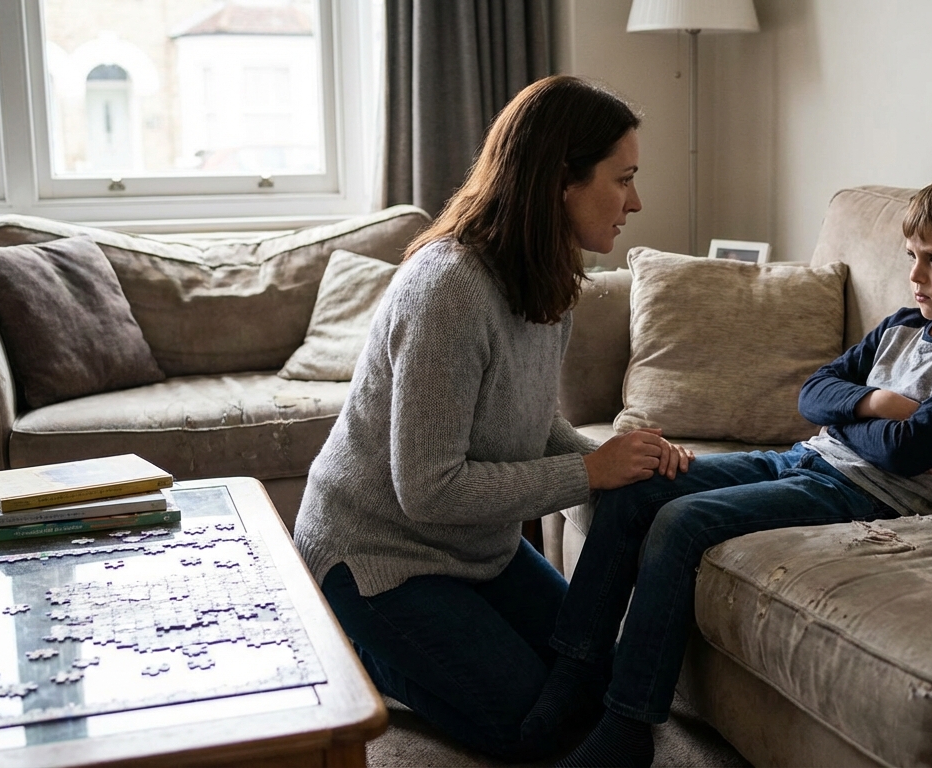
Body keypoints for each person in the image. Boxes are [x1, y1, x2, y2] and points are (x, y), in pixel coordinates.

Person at [525, 167, 932, 767]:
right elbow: (813, 393)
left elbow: (907, 453)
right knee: (637, 484)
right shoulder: (903, 327)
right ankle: (573, 675)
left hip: (868, 498)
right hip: (806, 458)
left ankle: (626, 728)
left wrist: (871, 423)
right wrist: (876, 404)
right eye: (911, 256)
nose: (915, 275)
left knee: (682, 521)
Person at [291, 75, 695, 761]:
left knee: (598, 692)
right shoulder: (449, 288)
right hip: (378, 558)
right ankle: (349, 640)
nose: (635, 201)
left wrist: (622, 457)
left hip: (481, 551)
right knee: (527, 728)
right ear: (561, 180)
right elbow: (428, 489)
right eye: (621, 178)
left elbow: (532, 429)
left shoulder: (552, 281)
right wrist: (587, 470)